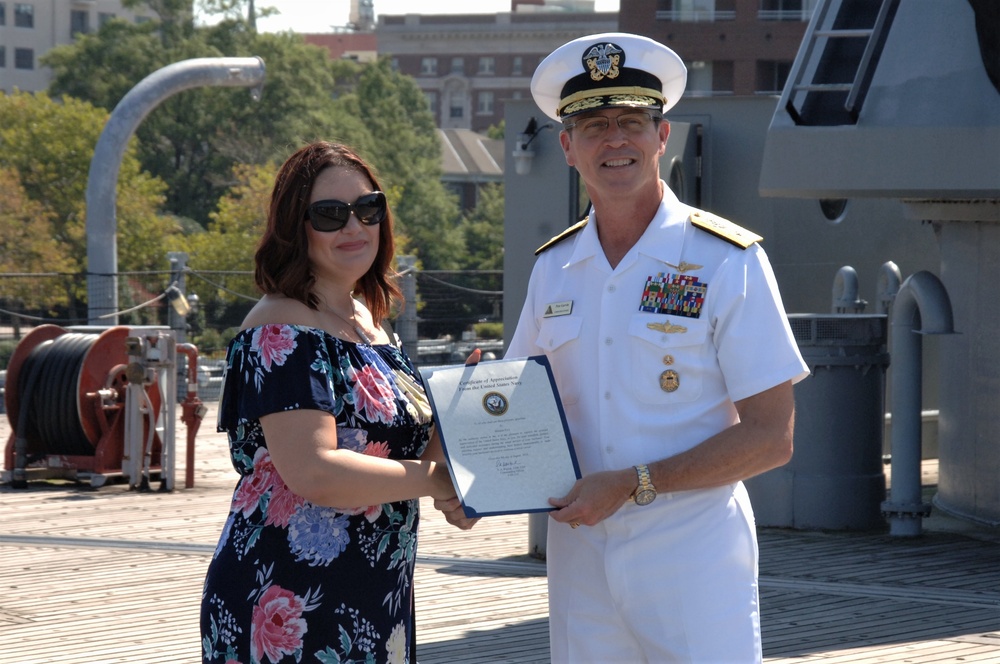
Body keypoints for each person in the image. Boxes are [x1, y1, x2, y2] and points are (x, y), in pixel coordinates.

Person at [506, 33, 810, 662]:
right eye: (592, 125)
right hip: (579, 556)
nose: (614, 139)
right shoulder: (554, 269)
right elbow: (519, 403)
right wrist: (470, 448)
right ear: (567, 147)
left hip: (691, 556)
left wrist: (634, 483)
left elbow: (770, 435)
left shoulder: (726, 261)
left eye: (630, 121)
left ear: (662, 136)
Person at [200, 141, 468, 664]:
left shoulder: (370, 321)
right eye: (329, 214)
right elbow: (314, 471)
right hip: (287, 602)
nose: (354, 227)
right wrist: (439, 483)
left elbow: (402, 453)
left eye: (369, 208)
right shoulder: (282, 324)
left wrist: (469, 407)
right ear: (293, 227)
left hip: (373, 598)